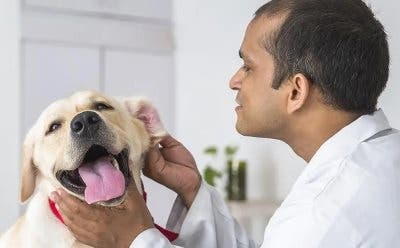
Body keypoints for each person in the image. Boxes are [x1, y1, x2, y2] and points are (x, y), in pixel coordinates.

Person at [50, 0, 400, 247]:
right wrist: (192, 192)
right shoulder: (379, 161)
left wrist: (137, 239)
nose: (235, 80)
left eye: (248, 66)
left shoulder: (327, 214)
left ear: (296, 91)